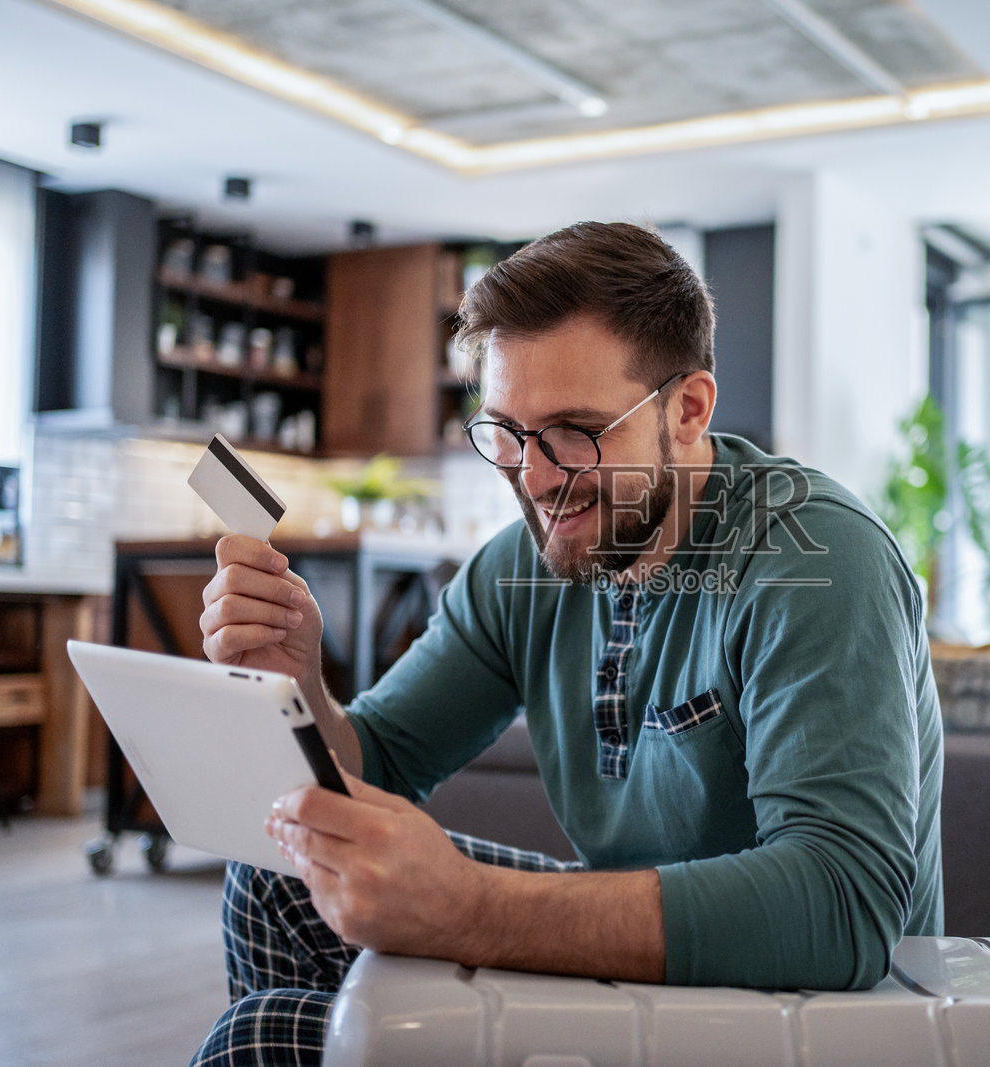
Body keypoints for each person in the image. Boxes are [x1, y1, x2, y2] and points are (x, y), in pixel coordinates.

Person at [190, 221, 943, 1065]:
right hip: (642, 992)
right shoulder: (522, 568)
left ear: (688, 409)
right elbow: (372, 761)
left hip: (811, 1021)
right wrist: (295, 684)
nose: (536, 476)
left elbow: (843, 904)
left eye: (575, 432)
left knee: (257, 1039)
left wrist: (472, 907)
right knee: (286, 867)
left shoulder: (814, 559)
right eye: (506, 432)